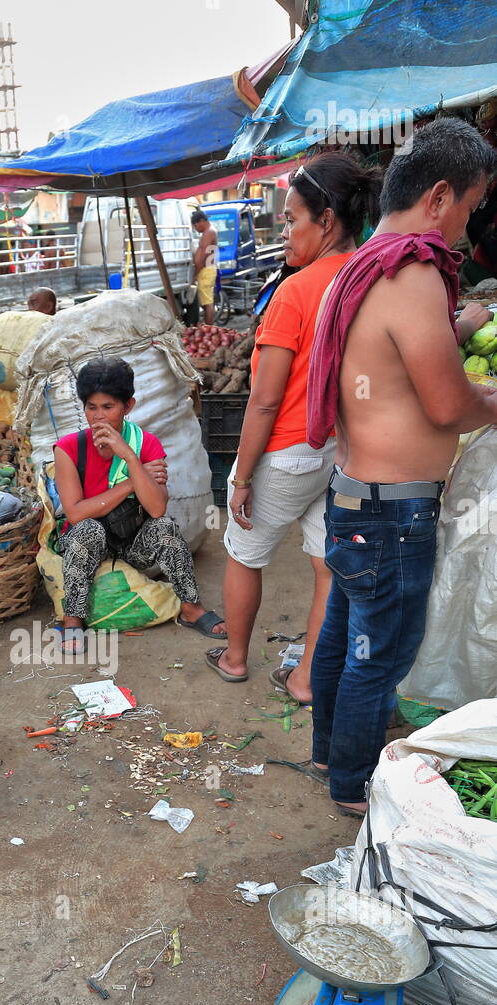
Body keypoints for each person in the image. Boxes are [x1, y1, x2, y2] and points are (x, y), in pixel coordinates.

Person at [307, 117, 497, 817]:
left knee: (342, 637)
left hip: (354, 494)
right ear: (441, 196)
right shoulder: (414, 272)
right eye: (472, 207)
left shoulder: (360, 266)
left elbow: (389, 361)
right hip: (394, 511)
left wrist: (460, 327)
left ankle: (330, 752)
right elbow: (446, 403)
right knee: (378, 657)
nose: (467, 228)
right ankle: (355, 790)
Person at [206, 154, 382, 698]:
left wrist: (240, 477)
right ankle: (307, 677)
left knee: (242, 552)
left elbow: (262, 402)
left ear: (325, 221)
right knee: (325, 566)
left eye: (290, 220)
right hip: (335, 448)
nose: (283, 232)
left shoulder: (295, 292)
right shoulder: (370, 278)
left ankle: (235, 658)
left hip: (283, 451)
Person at [52, 357, 217, 653]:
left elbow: (156, 510)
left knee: (165, 528)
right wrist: (131, 482)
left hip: (131, 541)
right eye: (92, 407)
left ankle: (191, 608)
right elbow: (75, 513)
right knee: (87, 529)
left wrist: (129, 456)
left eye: (108, 407)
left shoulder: (144, 444)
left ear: (128, 406)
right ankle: (73, 619)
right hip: (89, 542)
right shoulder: (68, 449)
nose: (99, 417)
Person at [191, 209, 218, 325]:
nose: (196, 229)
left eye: (195, 226)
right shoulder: (208, 232)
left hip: (205, 269)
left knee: (207, 302)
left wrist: (196, 271)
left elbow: (204, 255)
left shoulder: (209, 232)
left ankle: (208, 327)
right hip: (206, 269)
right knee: (206, 301)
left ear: (200, 222)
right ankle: (208, 326)